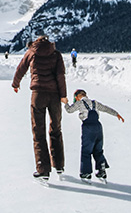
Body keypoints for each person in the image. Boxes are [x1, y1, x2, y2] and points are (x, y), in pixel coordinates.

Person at [12, 35, 68, 182]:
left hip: (38, 95)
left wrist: (15, 84)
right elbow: (60, 75)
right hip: (55, 95)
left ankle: (43, 169)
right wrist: (63, 95)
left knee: (38, 131)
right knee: (56, 128)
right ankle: (59, 165)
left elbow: (21, 69)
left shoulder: (31, 52)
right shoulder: (56, 54)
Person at [64, 89, 124, 182]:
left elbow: (69, 110)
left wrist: (65, 103)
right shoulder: (94, 102)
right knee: (98, 149)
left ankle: (86, 173)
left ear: (77, 97)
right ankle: (101, 169)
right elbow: (106, 108)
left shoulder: (79, 103)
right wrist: (117, 114)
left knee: (86, 151)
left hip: (88, 128)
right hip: (98, 127)